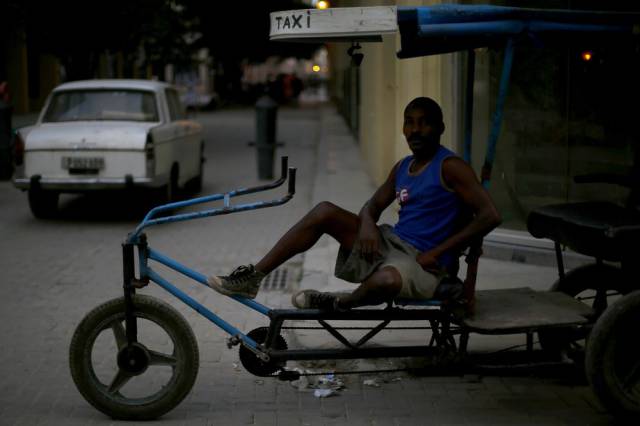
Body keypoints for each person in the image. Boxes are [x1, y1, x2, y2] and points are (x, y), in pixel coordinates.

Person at [208, 97, 501, 310]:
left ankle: (340, 302)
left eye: (424, 123)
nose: (415, 130)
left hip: (426, 264)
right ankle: (253, 277)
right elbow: (371, 206)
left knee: (386, 281)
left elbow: (490, 216)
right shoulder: (403, 167)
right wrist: (368, 225)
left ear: (440, 128)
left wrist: (437, 252)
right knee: (324, 211)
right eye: (409, 122)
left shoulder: (450, 166)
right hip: (391, 244)